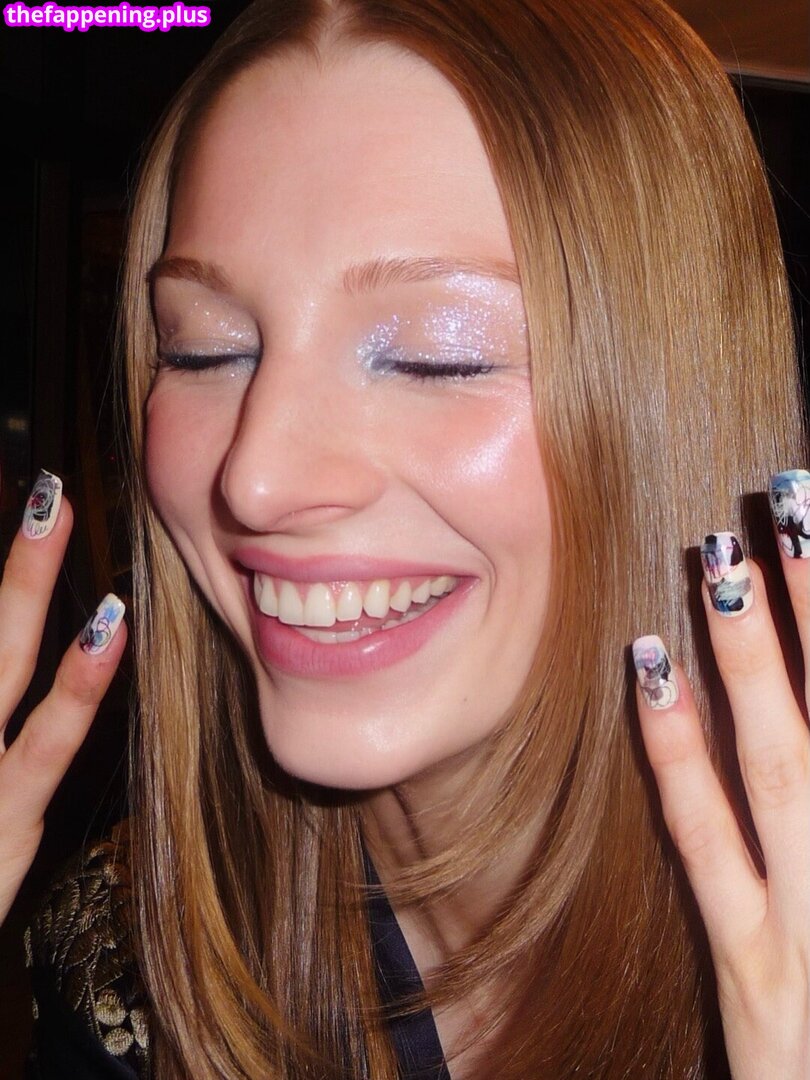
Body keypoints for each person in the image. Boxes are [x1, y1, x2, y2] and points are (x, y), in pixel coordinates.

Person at [3, 0, 808, 1076]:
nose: (256, 477)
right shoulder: (124, 968)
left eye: (437, 354)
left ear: (673, 406)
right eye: (204, 350)